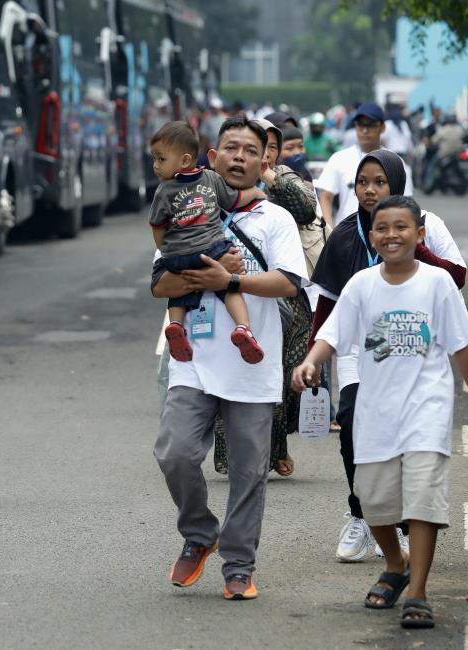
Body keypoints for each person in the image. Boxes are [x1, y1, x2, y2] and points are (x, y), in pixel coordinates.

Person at [293, 195, 468, 629]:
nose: (392, 235)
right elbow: (332, 332)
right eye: (382, 228)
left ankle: (418, 592)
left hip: (427, 408)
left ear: (419, 234)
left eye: (401, 227)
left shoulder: (438, 283)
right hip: (376, 411)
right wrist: (312, 360)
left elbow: (460, 347)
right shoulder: (363, 285)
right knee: (374, 502)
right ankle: (396, 562)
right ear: (372, 236)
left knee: (422, 502)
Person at [151, 115, 308, 599]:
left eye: (249, 149)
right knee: (174, 453)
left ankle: (239, 564)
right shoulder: (184, 206)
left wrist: (231, 282)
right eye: (229, 148)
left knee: (247, 472)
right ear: (211, 158)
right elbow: (160, 283)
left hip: (253, 365)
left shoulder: (275, 217)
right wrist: (204, 279)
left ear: (265, 161)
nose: (238, 156)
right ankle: (199, 533)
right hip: (193, 358)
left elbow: (288, 281)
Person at [310, 149, 467, 563]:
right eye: (362, 182)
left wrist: (416, 245)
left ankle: (399, 527)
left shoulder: (426, 225)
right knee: (352, 433)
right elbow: (327, 302)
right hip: (358, 357)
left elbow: (459, 277)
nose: (369, 190)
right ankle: (361, 515)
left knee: (404, 439)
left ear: (396, 183)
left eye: (379, 182)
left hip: (411, 354)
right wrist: (313, 360)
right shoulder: (344, 235)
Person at [210, 118, 318, 478]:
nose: (244, 156)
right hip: (221, 300)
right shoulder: (210, 191)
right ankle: (230, 454)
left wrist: (268, 177)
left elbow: (305, 210)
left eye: (264, 147)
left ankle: (275, 448)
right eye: (234, 148)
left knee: (283, 377)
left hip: (284, 297)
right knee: (230, 378)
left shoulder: (284, 180)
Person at [150, 121, 266, 364]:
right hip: (212, 249)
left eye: (160, 159)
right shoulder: (210, 178)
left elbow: (158, 226)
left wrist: (166, 250)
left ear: (183, 161)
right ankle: (243, 327)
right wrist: (256, 192)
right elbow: (234, 200)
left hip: (178, 254)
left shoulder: (163, 191)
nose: (155, 166)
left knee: (177, 296)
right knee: (229, 286)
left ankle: (176, 325)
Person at [315, 102, 413, 228]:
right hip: (346, 235)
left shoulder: (395, 161)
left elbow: (406, 202)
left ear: (382, 128)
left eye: (370, 125)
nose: (365, 130)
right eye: (360, 125)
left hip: (384, 236)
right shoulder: (339, 159)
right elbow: (325, 197)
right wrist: (329, 232)